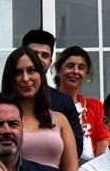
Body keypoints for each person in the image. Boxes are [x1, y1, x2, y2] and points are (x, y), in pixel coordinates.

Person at [0, 45, 79, 171]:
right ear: (10, 78)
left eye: (31, 70)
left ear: (41, 75)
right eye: (18, 72)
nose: (25, 78)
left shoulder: (60, 120)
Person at [22, 29, 85, 159]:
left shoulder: (63, 102)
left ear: (50, 62)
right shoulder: (3, 100)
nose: (38, 59)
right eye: (34, 53)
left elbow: (76, 148)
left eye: (45, 55)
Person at [53, 44, 110, 163]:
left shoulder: (95, 106)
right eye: (70, 66)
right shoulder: (49, 104)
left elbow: (103, 141)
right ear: (58, 71)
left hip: (91, 169)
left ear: (86, 74)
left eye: (81, 67)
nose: (75, 71)